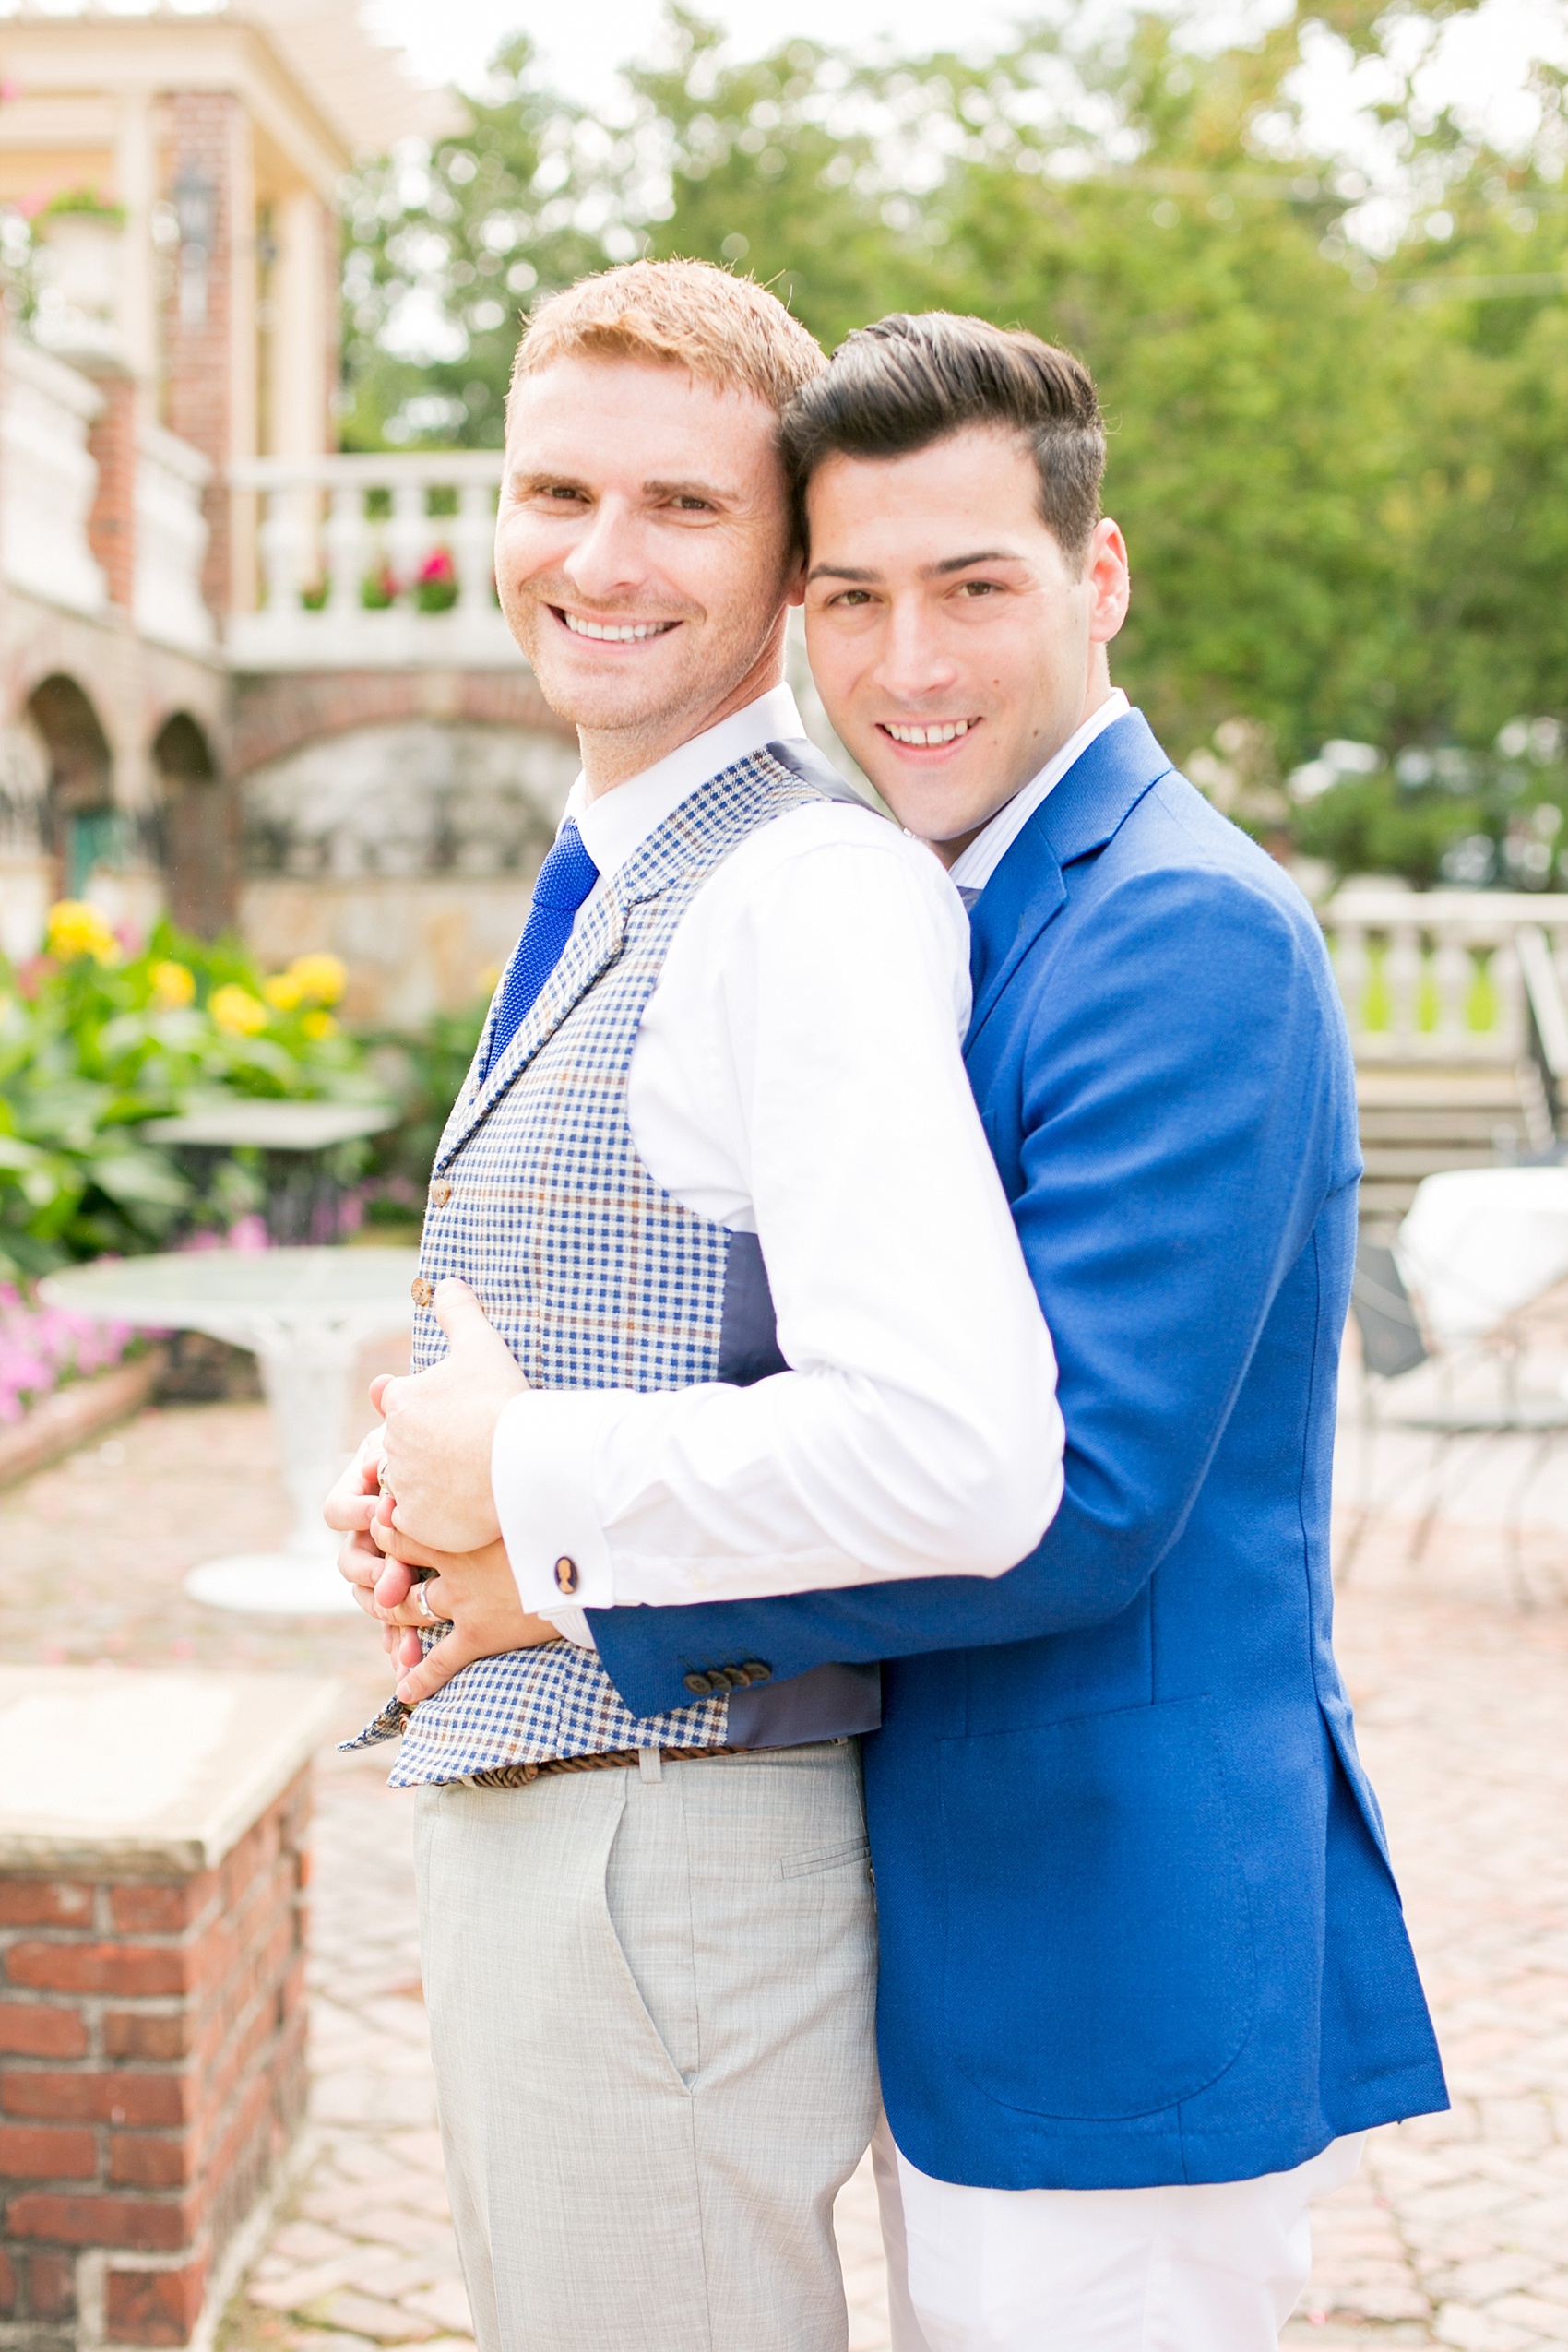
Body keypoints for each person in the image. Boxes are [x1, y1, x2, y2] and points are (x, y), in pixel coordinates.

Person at [576, 314, 1450, 2351]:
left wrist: (582, 1582)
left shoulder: (1178, 927)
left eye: (974, 588)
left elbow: (1076, 1508)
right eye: (853, 600)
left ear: (1100, 577)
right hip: (982, 1918)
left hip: (1114, 1936)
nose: (909, 668)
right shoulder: (955, 895)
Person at [327, 267, 1063, 2352]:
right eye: (554, 487)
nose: (598, 557)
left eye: (682, 507)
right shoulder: (637, 857)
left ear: (788, 559)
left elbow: (953, 1447)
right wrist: (427, 1495)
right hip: (585, 1828)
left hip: (663, 1843)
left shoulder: (804, 893)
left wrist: (518, 1480)